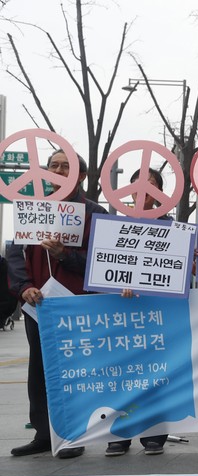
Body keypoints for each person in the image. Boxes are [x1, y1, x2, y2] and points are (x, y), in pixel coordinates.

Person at [8, 149, 108, 458]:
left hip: (79, 305)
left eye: (67, 166)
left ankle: (74, 435)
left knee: (76, 370)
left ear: (81, 176)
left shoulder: (95, 213)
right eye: (54, 165)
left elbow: (102, 261)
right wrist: (25, 287)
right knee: (39, 368)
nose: (60, 170)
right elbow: (15, 254)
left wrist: (66, 256)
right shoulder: (32, 209)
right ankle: (42, 432)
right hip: (40, 304)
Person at [105, 168, 170, 457]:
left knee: (155, 374)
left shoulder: (172, 226)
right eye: (137, 183)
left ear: (160, 192)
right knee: (123, 374)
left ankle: (154, 434)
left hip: (157, 311)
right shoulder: (113, 224)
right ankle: (120, 434)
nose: (143, 188)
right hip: (121, 311)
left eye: (152, 184)